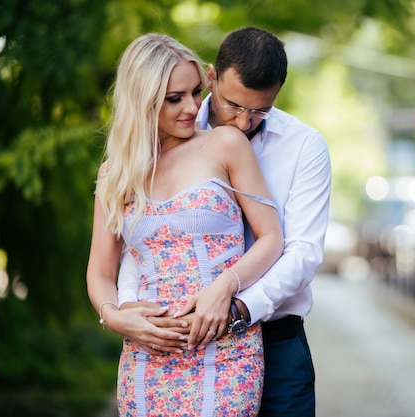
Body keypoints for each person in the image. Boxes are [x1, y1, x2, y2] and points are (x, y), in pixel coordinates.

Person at [113, 27, 331, 416]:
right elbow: (145, 237)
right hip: (178, 339)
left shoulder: (304, 145)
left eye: (260, 110)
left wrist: (235, 305)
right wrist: (126, 307)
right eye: (233, 105)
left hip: (274, 335)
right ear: (211, 76)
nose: (245, 122)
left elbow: (303, 252)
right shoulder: (169, 131)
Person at [85, 33, 284, 416]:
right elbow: (99, 271)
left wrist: (225, 287)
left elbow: (271, 236)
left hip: (224, 352)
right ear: (143, 101)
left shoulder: (225, 144)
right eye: (175, 98)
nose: (193, 107)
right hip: (146, 355)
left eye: (196, 92)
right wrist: (116, 317)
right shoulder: (115, 174)